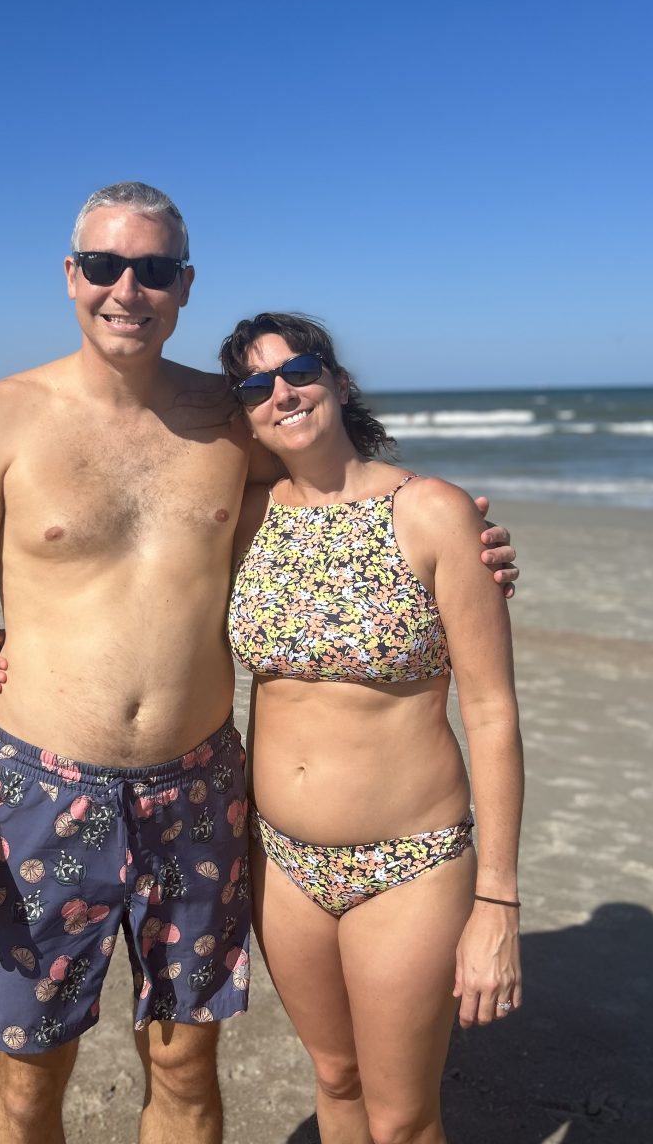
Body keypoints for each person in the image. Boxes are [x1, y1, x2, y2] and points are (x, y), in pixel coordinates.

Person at [0, 182, 518, 1144]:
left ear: (183, 286)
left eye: (152, 270)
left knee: (187, 1070)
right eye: (105, 266)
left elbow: (344, 493)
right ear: (71, 276)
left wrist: (468, 538)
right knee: (28, 1080)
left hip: (197, 791)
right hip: (41, 787)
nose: (128, 289)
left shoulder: (227, 421)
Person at [221, 312, 523, 1144]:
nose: (281, 392)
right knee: (337, 1078)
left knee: (401, 1119)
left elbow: (492, 711)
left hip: (410, 862)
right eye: (255, 386)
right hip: (281, 859)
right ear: (245, 418)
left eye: (299, 370)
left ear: (339, 381)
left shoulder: (430, 511)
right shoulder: (245, 520)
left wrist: (497, 899)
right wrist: (9, 652)